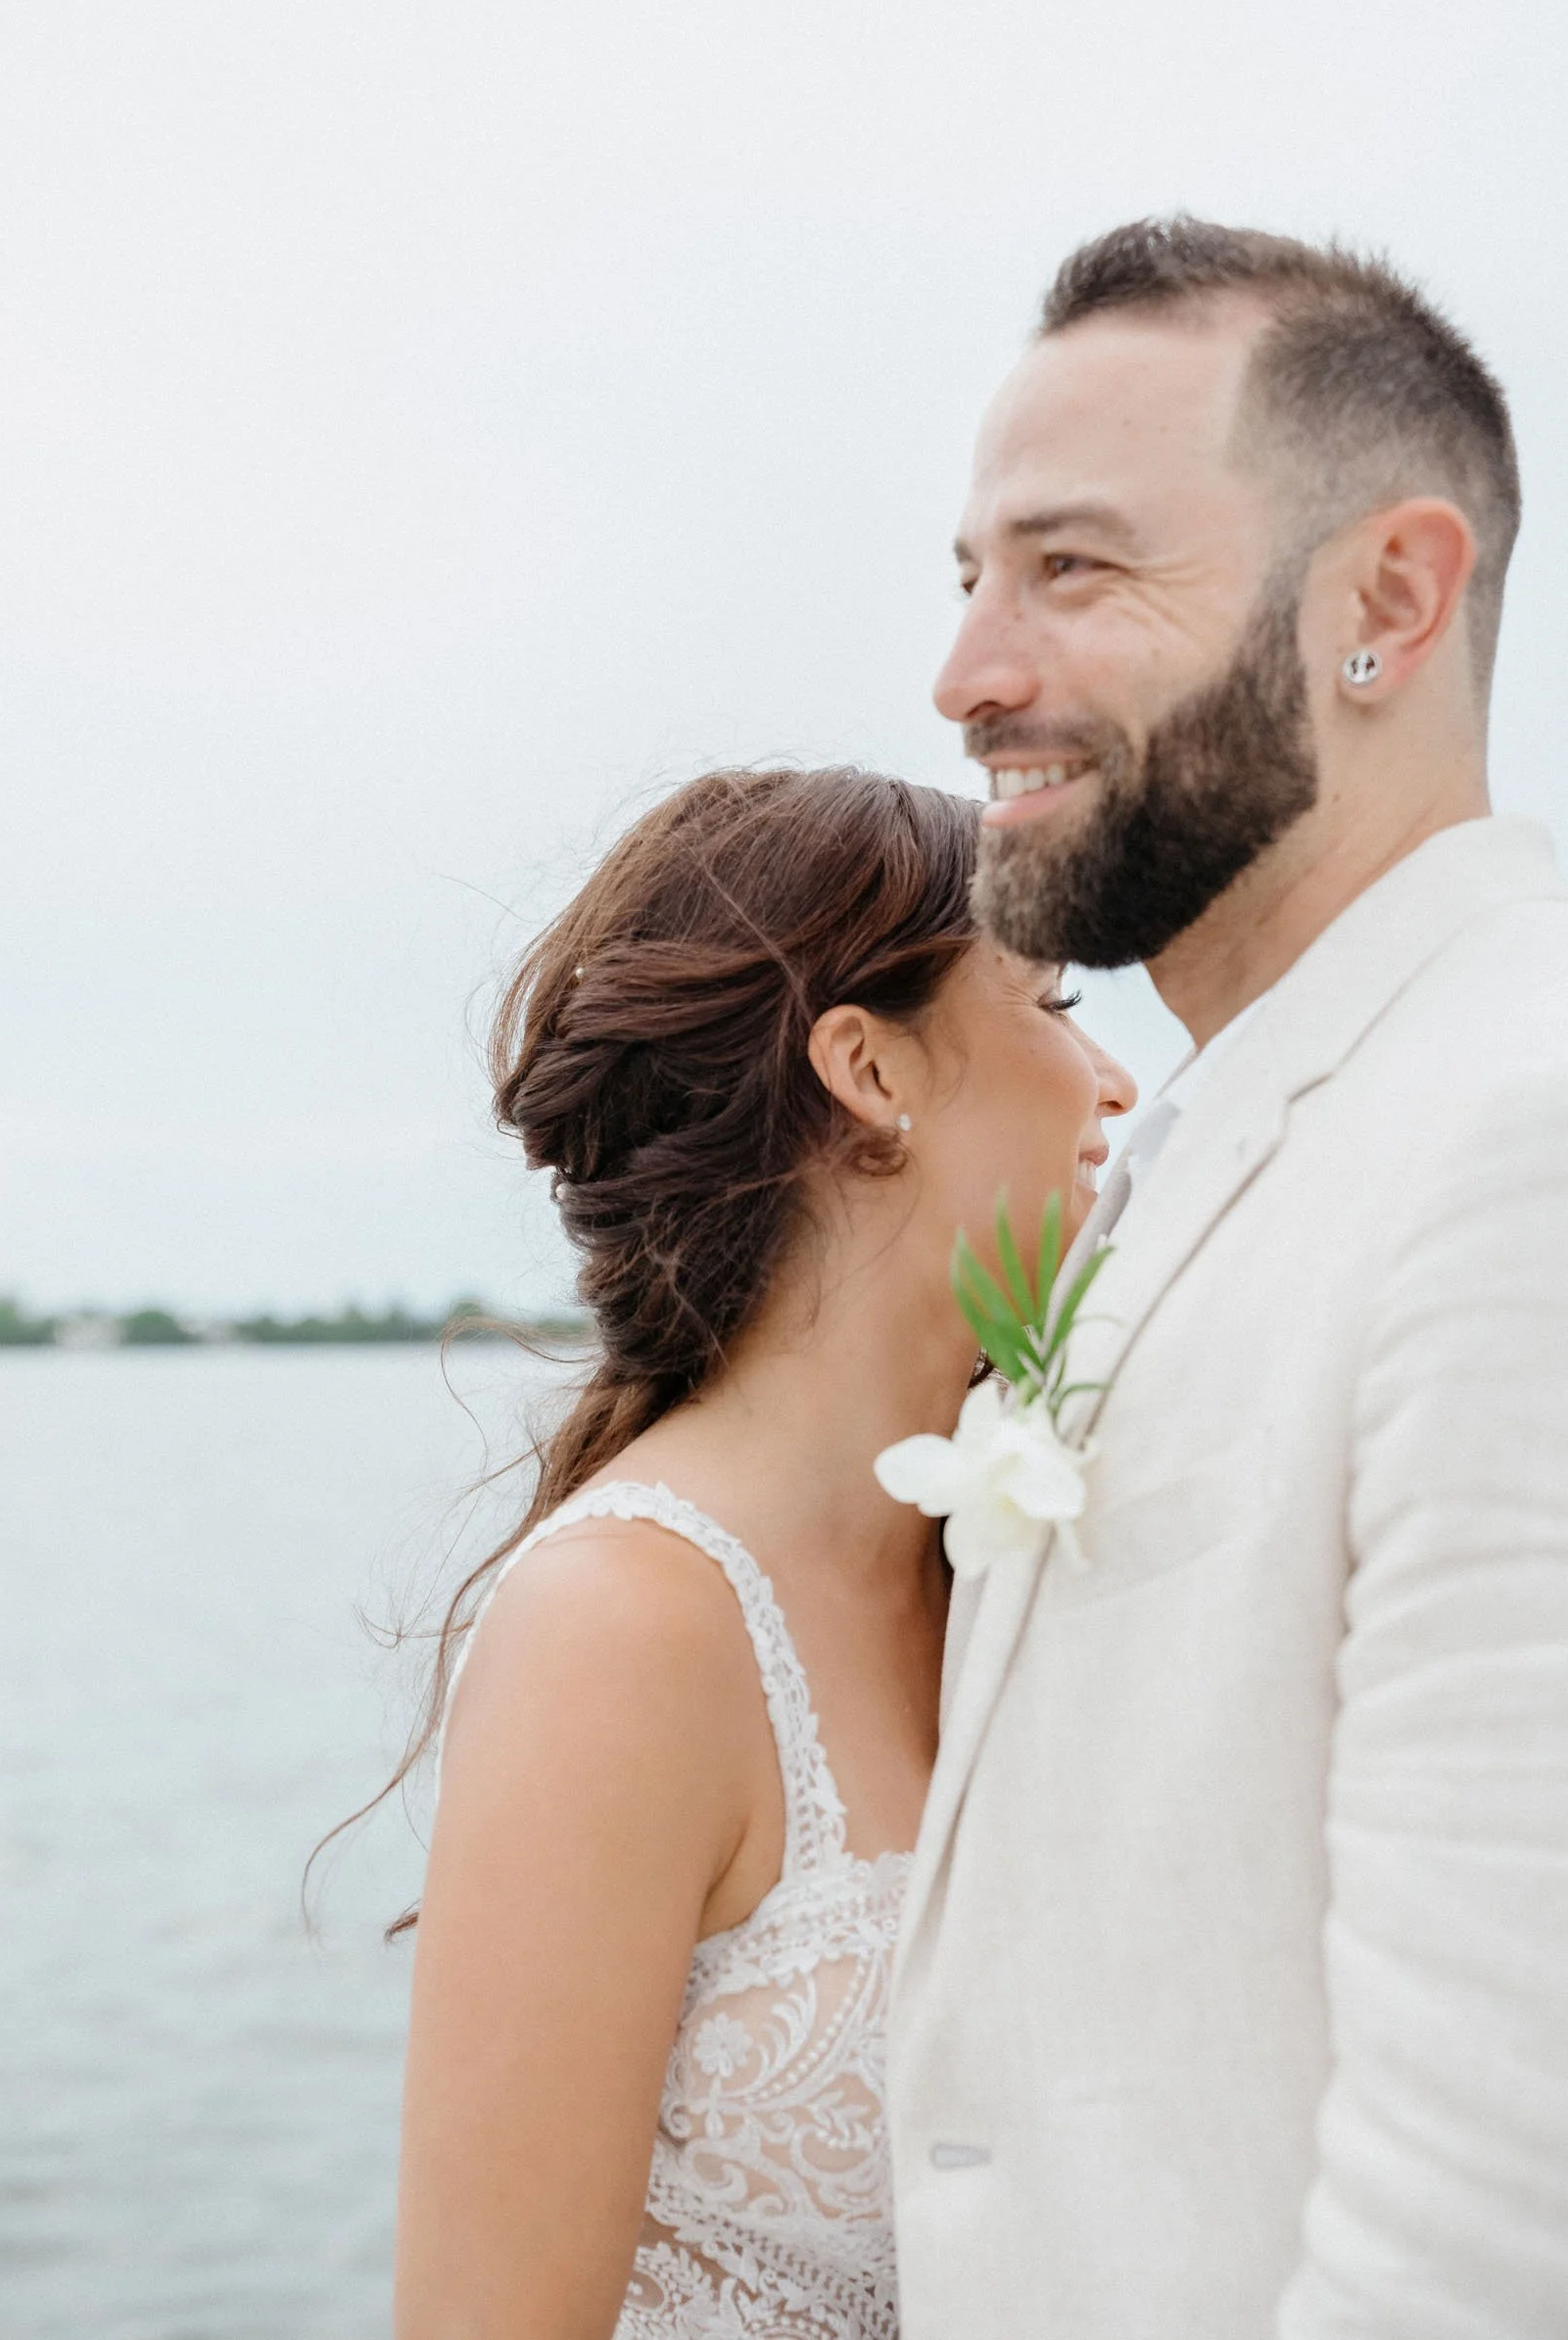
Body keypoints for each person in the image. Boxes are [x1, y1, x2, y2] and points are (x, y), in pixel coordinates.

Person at [890, 217, 1568, 2336]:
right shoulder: (1200, 1132)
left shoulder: (1517, 1131)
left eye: (1071, 570)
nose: (966, 675)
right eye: (968, 575)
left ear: (1384, 598)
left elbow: (1496, 2186)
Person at [393, 766, 1135, 2339]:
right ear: (869, 1069)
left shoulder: (1016, 1554)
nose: (1114, 1084)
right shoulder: (625, 1625)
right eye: (1057, 1002)